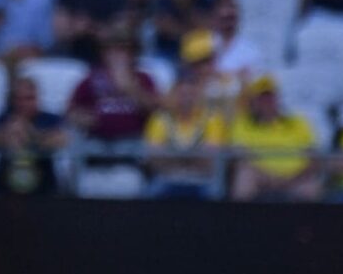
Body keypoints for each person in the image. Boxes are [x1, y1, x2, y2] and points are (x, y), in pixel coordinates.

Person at [230, 75, 321, 201]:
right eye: (262, 98)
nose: (266, 102)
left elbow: (314, 157)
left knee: (310, 187)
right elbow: (240, 158)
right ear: (254, 101)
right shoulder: (243, 124)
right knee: (244, 177)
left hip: (295, 179)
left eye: (270, 97)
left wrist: (292, 179)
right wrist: (269, 179)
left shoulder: (298, 123)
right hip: (259, 178)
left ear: (278, 98)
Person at [144, 70, 228, 199]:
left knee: (214, 191)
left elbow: (210, 160)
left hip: (203, 178)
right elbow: (155, 158)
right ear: (173, 94)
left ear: (198, 95)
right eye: (182, 94)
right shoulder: (160, 118)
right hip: (168, 177)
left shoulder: (212, 118)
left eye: (191, 94)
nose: (187, 99)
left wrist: (173, 156)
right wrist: (192, 156)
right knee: (151, 191)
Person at [67, 29, 158, 146]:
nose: (117, 55)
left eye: (123, 50)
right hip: (97, 139)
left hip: (134, 139)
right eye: (111, 50)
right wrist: (82, 117)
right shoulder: (92, 78)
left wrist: (131, 88)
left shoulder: (143, 78)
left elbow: (155, 110)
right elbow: (72, 110)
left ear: (133, 53)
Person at [0, 76, 68, 195]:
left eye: (28, 98)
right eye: (19, 99)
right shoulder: (3, 119)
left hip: (44, 186)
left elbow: (61, 140)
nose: (23, 103)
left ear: (37, 98)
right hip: (5, 186)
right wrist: (6, 134)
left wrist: (31, 133)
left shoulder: (50, 119)